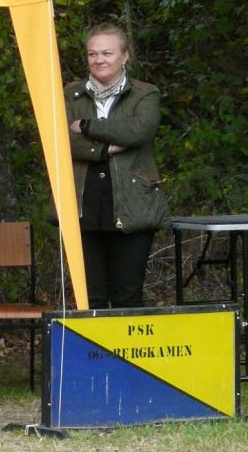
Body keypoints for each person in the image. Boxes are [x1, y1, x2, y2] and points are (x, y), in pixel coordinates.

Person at [66, 22, 170, 308]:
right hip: (83, 205)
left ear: (124, 56)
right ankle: (92, 342)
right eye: (92, 54)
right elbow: (62, 140)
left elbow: (140, 130)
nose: (99, 60)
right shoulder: (70, 93)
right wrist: (106, 148)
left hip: (133, 205)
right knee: (90, 299)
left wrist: (86, 126)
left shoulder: (145, 93)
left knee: (128, 296)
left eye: (107, 53)